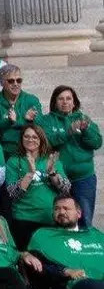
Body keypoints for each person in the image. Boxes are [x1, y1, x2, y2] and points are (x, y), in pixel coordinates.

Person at [27, 195, 104, 289]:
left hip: (98, 282)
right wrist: (64, 271)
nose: (61, 212)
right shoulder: (42, 236)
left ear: (79, 213)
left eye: (66, 208)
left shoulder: (96, 235)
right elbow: (37, 268)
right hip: (68, 286)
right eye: (57, 209)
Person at [4, 124, 70, 249]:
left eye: (35, 137)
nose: (30, 140)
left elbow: (65, 189)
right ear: (21, 139)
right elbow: (13, 193)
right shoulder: (13, 161)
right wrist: (30, 173)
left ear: (41, 140)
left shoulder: (50, 159)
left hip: (50, 218)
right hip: (24, 219)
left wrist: (52, 173)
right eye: (26, 136)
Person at [41, 86, 99, 224]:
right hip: (57, 179)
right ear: (54, 102)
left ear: (74, 102)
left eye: (68, 98)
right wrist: (69, 132)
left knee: (84, 219)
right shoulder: (46, 120)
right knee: (58, 219)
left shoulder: (83, 119)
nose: (65, 102)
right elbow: (46, 141)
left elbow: (97, 143)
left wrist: (86, 130)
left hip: (83, 178)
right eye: (61, 99)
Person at [0, 65, 42, 160]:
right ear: (2, 82)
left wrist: (20, 121)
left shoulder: (31, 100)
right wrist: (10, 121)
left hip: (29, 151)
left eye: (19, 80)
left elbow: (40, 124)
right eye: (11, 81)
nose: (16, 84)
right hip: (3, 153)